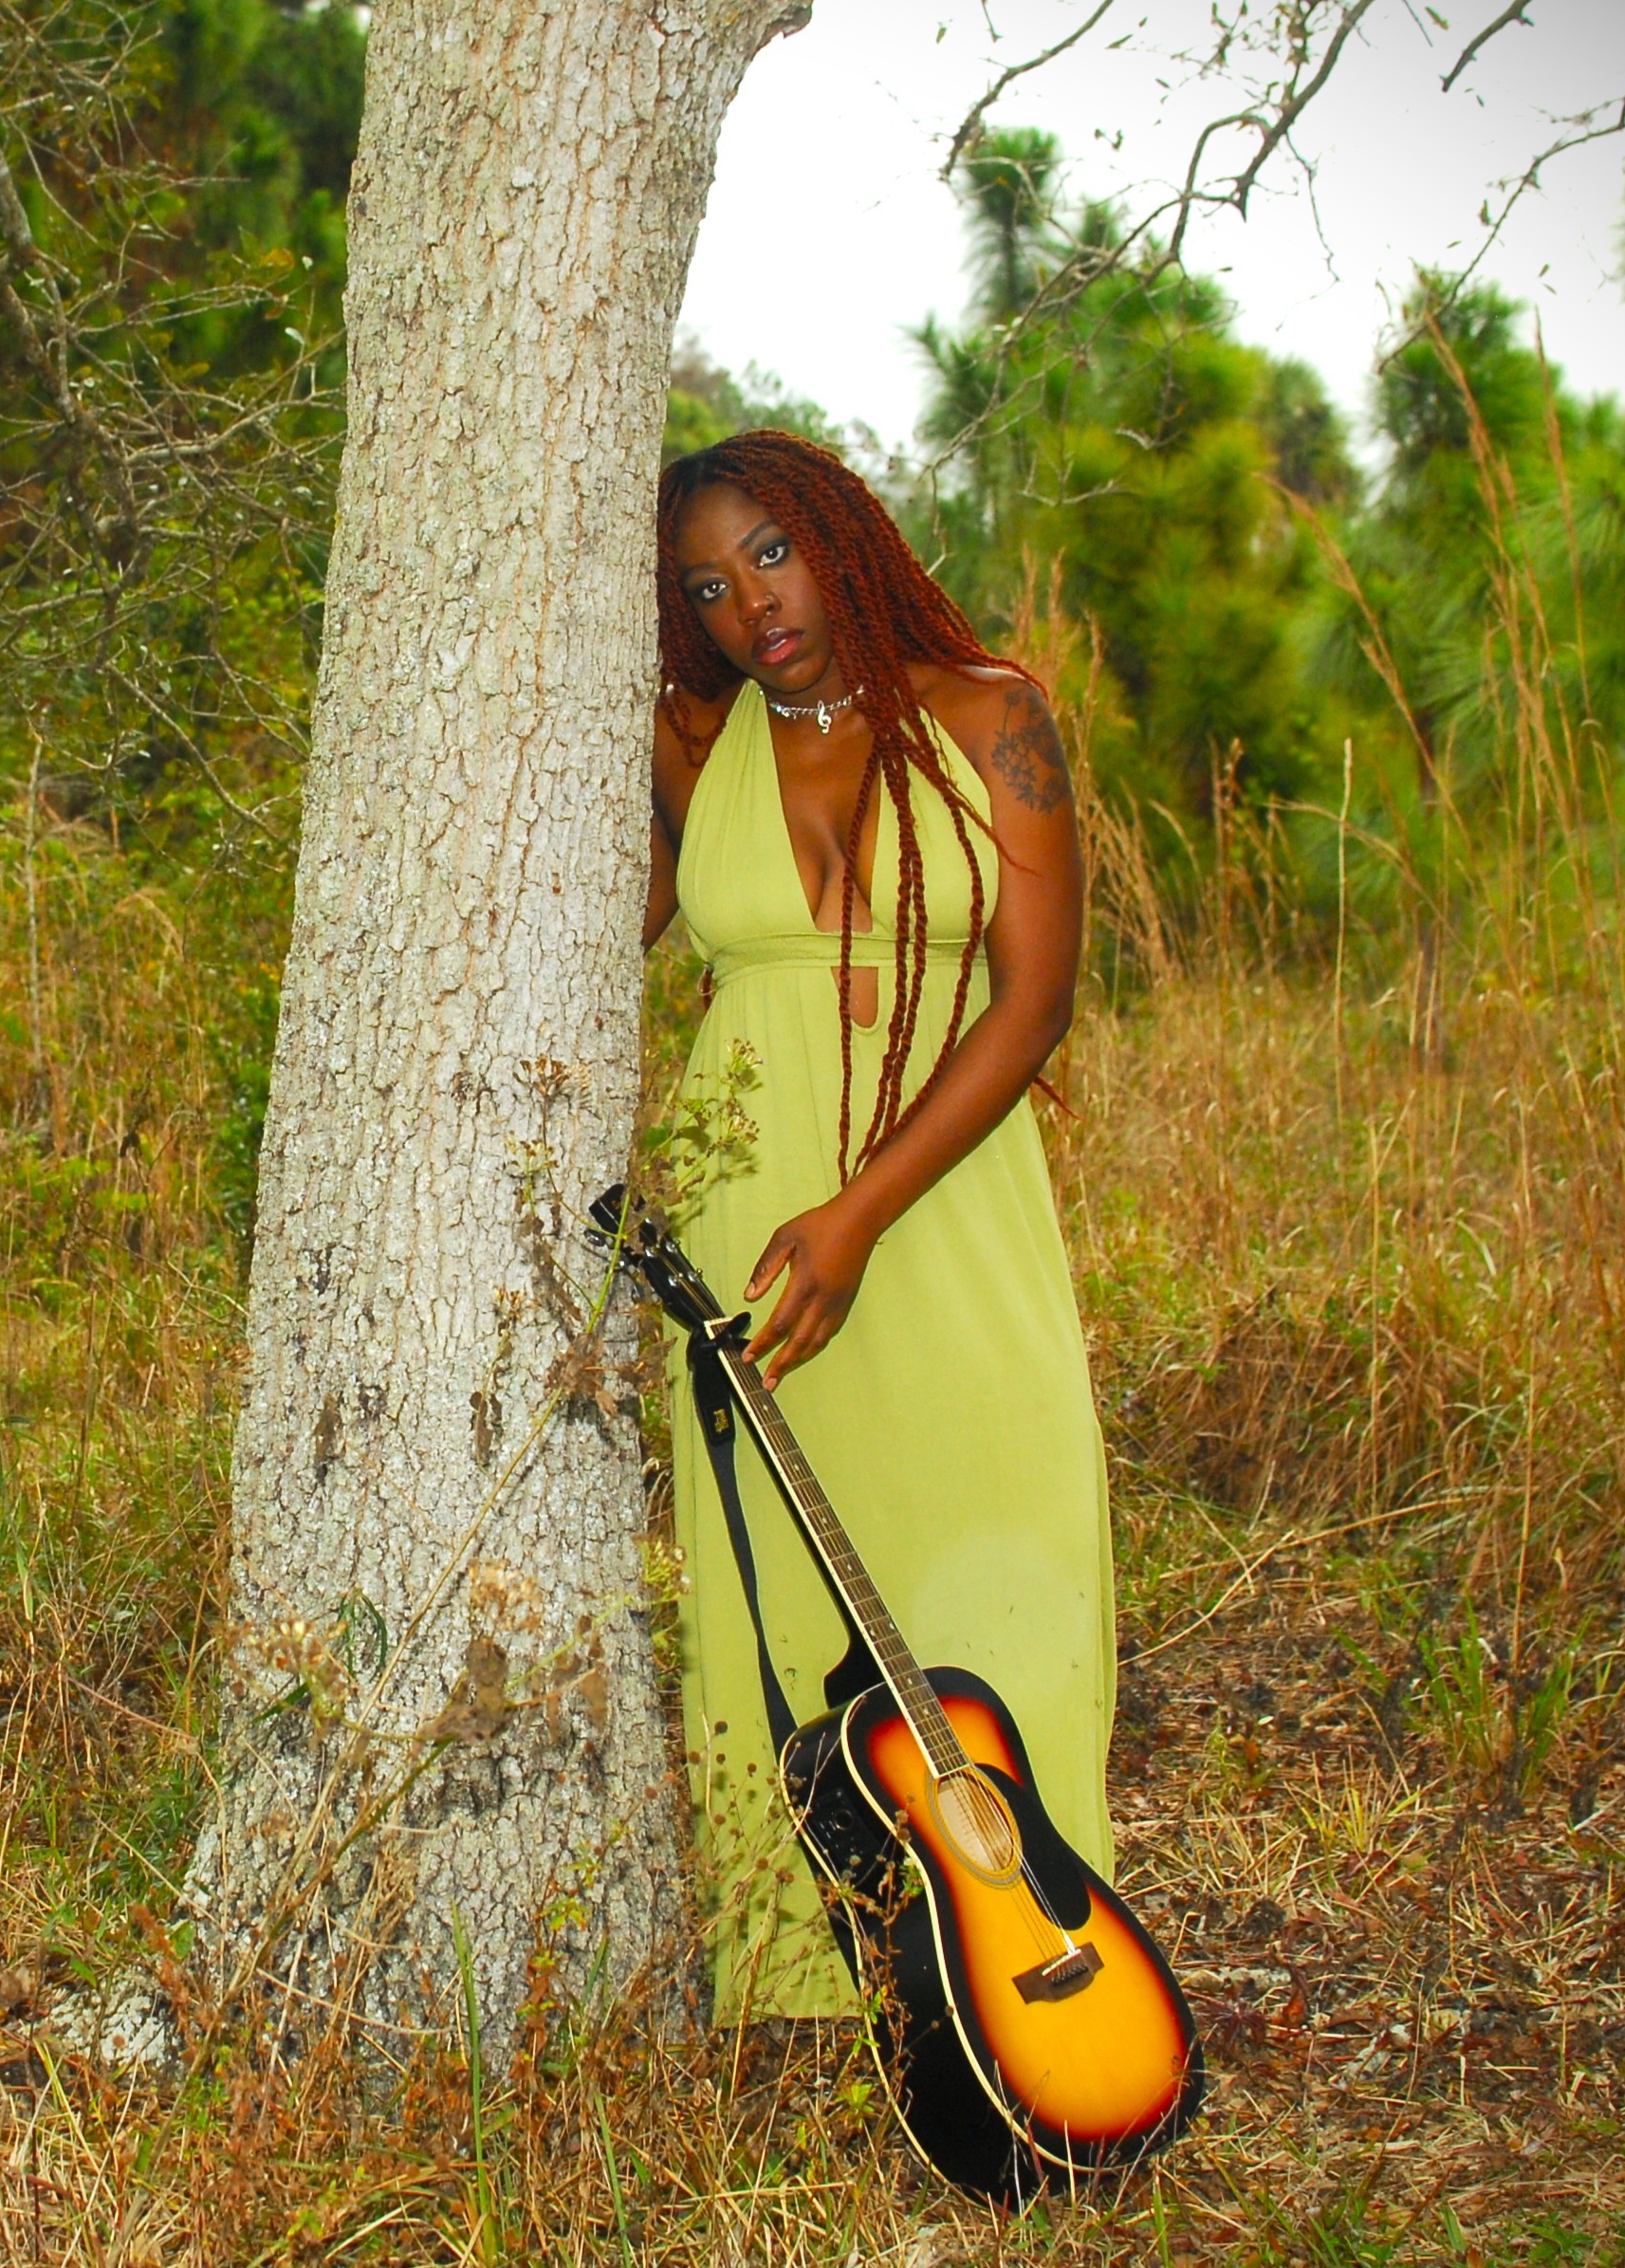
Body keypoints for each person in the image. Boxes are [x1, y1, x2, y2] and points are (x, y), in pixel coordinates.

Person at [644, 429, 1112, 2022]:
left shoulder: (992, 716)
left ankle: (1039, 1965)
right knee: (771, 1589)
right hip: (749, 1219)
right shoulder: (692, 744)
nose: (747, 604)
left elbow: (1033, 1003)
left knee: (1004, 1562)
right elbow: (571, 926)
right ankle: (799, 1991)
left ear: (839, 534)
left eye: (769, 551)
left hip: (942, 1216)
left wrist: (857, 1212)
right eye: (706, 586)